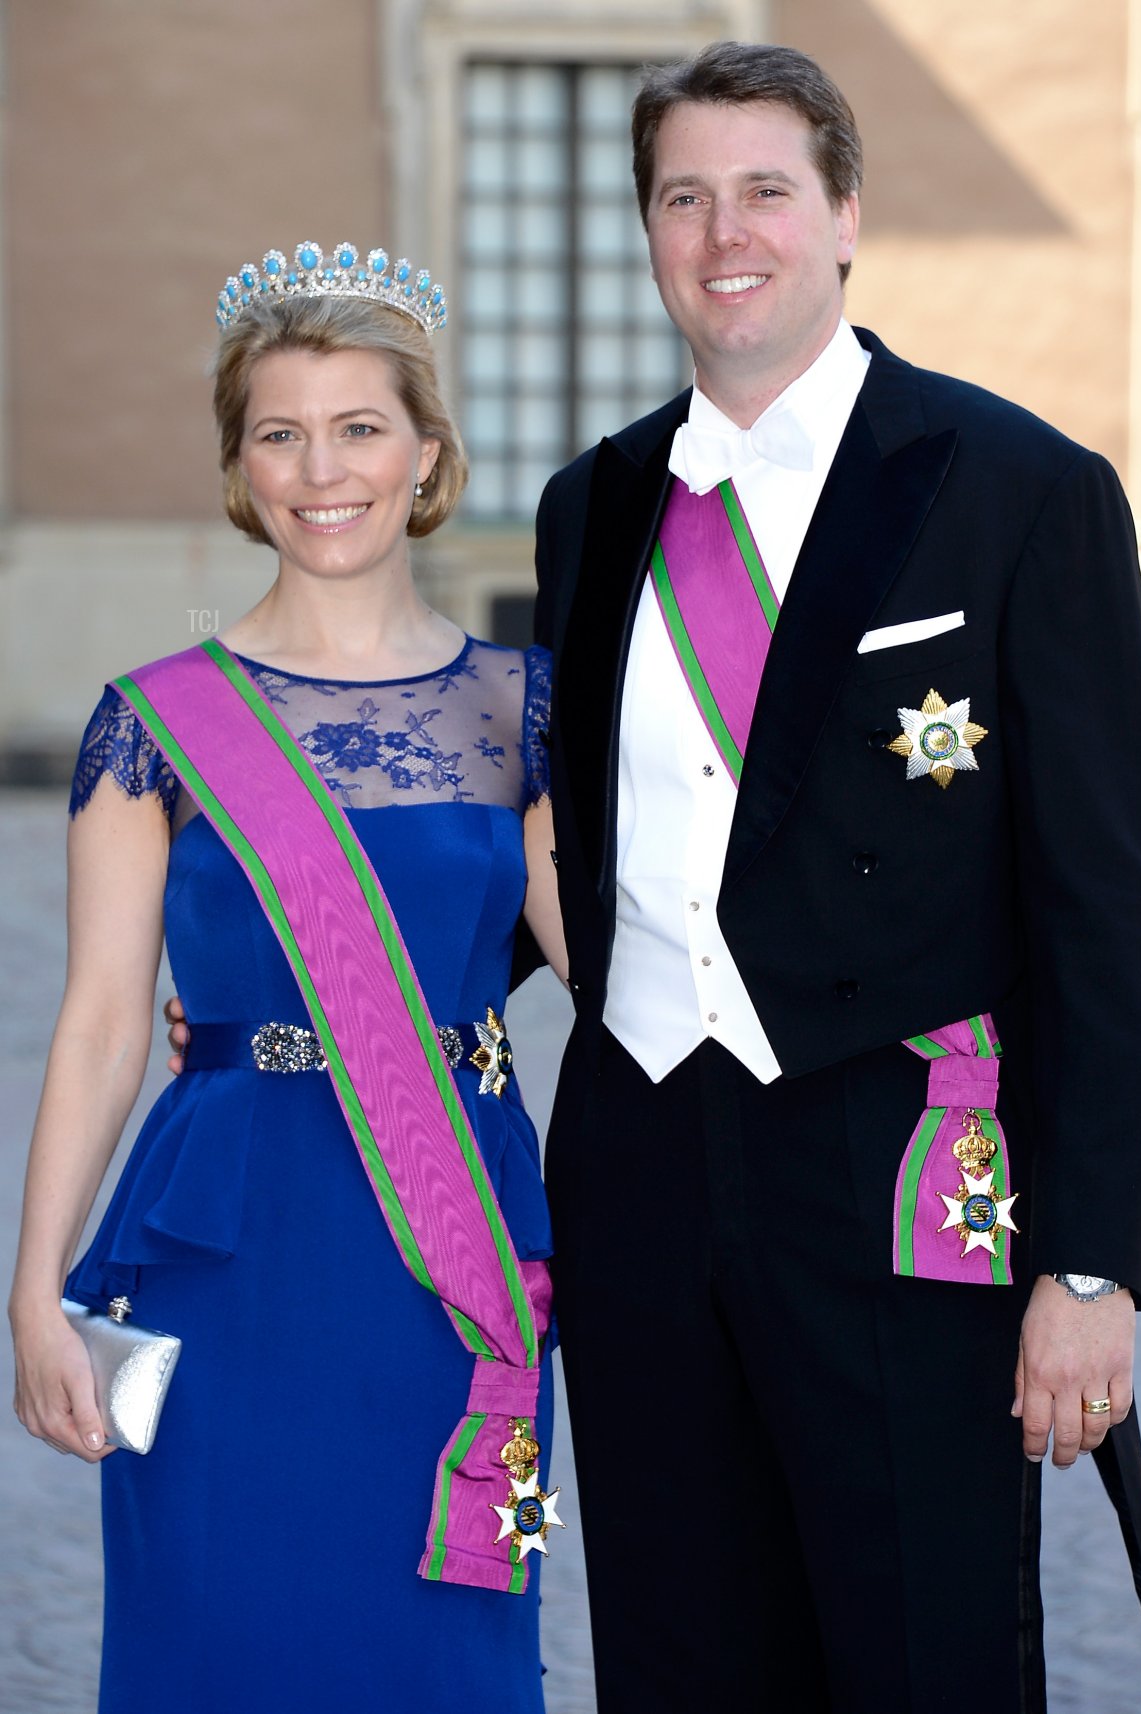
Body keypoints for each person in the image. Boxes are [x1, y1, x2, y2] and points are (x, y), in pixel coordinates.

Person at [533, 40, 1141, 1714]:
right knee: (680, 1662)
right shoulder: (591, 506)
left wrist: (1094, 1261)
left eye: (764, 188)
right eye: (683, 195)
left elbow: (1111, 910)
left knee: (928, 1658)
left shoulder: (1021, 489)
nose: (722, 228)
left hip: (904, 1168)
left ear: (843, 217)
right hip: (641, 1170)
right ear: (650, 230)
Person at [8, 246, 567, 1713]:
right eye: (280, 431)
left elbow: (633, 987)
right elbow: (102, 1021)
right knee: (214, 1643)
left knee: (446, 1652)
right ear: (241, 465)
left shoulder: (531, 710)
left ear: (427, 452)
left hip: (454, 1250)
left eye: (360, 426)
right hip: (226, 1240)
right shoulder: (154, 722)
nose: (323, 469)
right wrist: (30, 1292)